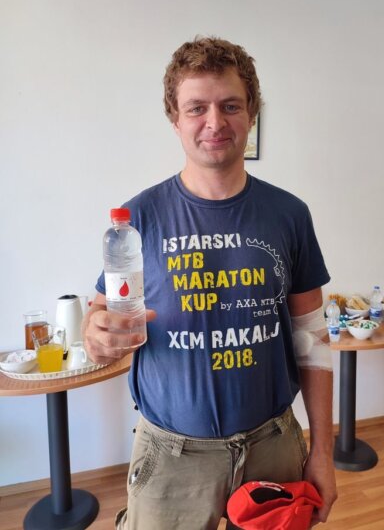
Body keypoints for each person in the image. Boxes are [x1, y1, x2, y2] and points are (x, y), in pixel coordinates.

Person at [83, 36, 337, 530]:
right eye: (197, 108)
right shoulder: (138, 218)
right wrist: (95, 336)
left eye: (230, 106)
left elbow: (312, 339)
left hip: (274, 448)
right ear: (175, 119)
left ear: (252, 113)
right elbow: (100, 317)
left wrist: (323, 453)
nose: (215, 122)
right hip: (171, 458)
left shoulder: (289, 214)